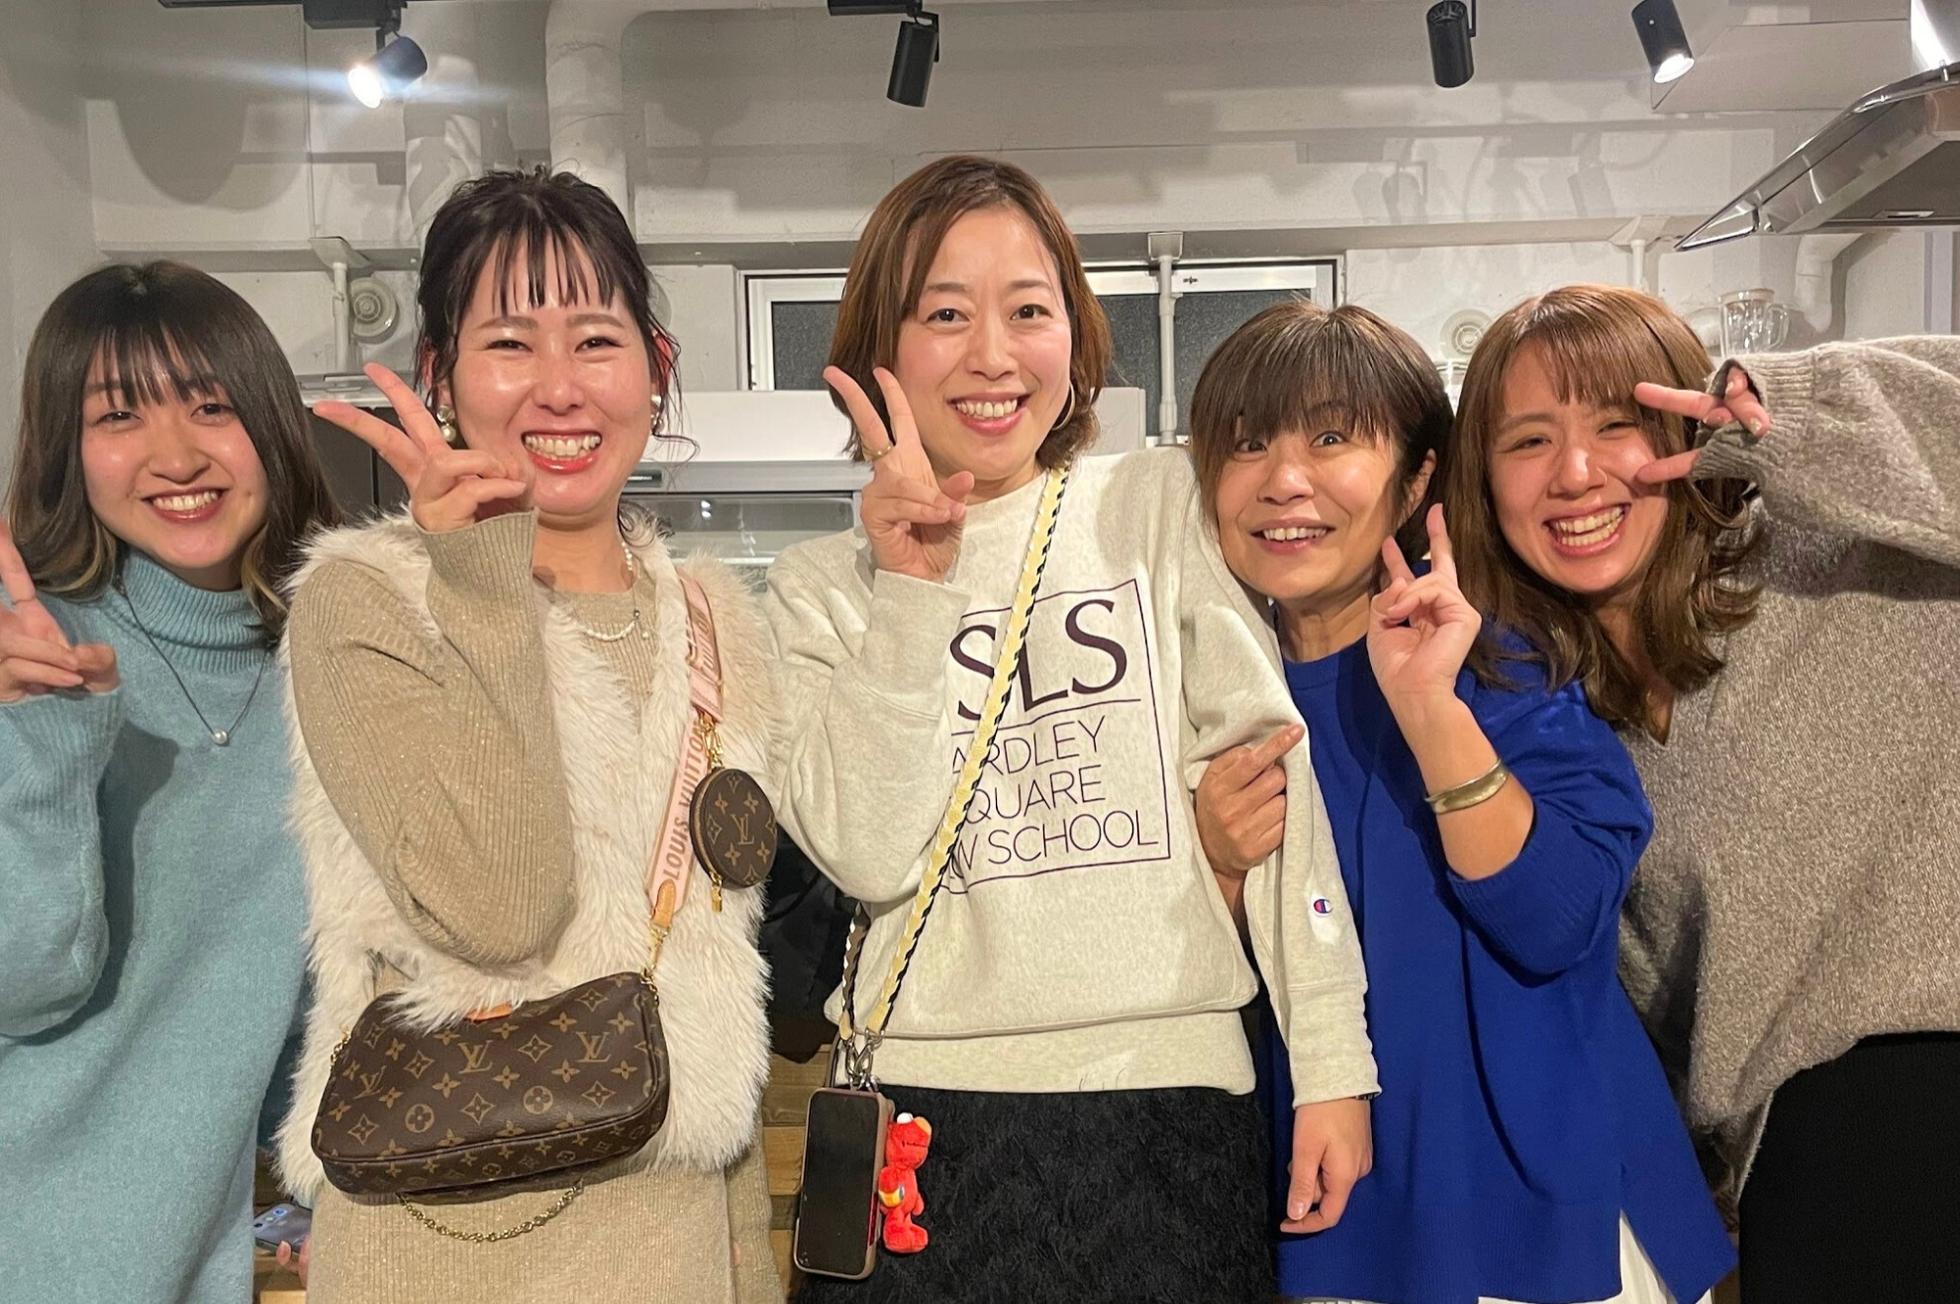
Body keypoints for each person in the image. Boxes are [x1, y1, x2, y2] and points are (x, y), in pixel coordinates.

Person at [764, 155, 1378, 1303]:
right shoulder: (819, 588)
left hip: (1167, 1106)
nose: (993, 356)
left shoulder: (1151, 502)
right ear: (879, 346)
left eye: (1028, 310)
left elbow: (1273, 783)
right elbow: (864, 850)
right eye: (945, 314)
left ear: (1075, 334)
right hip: (920, 1119)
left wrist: (1333, 1061)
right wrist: (911, 590)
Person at [276, 168, 779, 1303]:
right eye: (508, 342)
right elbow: (499, 906)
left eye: (596, 339)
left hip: (675, 1237)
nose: (559, 386)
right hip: (440, 1239)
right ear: (439, 374)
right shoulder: (365, 599)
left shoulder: (713, 619)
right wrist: (485, 581)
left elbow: (712, 978)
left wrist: (746, 1268)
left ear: (655, 367)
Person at [1188, 300, 1733, 1304]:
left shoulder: (1500, 661)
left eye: (1332, 437)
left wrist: (1431, 710)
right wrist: (1218, 867)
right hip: (1339, 1222)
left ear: (1416, 478)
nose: (1284, 479)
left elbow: (1556, 918)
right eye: (1246, 443)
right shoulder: (1202, 707)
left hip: (1556, 1224)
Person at [1443, 282, 1960, 1301]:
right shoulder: (1554, 724)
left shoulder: (1830, 548)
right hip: (1796, 1173)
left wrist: (1795, 410)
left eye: (1616, 425)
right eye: (1529, 441)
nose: (1576, 473)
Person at [0, 261, 341, 1303]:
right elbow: (24, 983)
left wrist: (319, 1188)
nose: (177, 454)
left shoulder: (324, 663)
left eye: (212, 406)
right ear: (67, 448)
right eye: (119, 415)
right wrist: (43, 745)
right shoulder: (27, 651)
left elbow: (295, 982)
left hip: (196, 1259)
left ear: (271, 426)